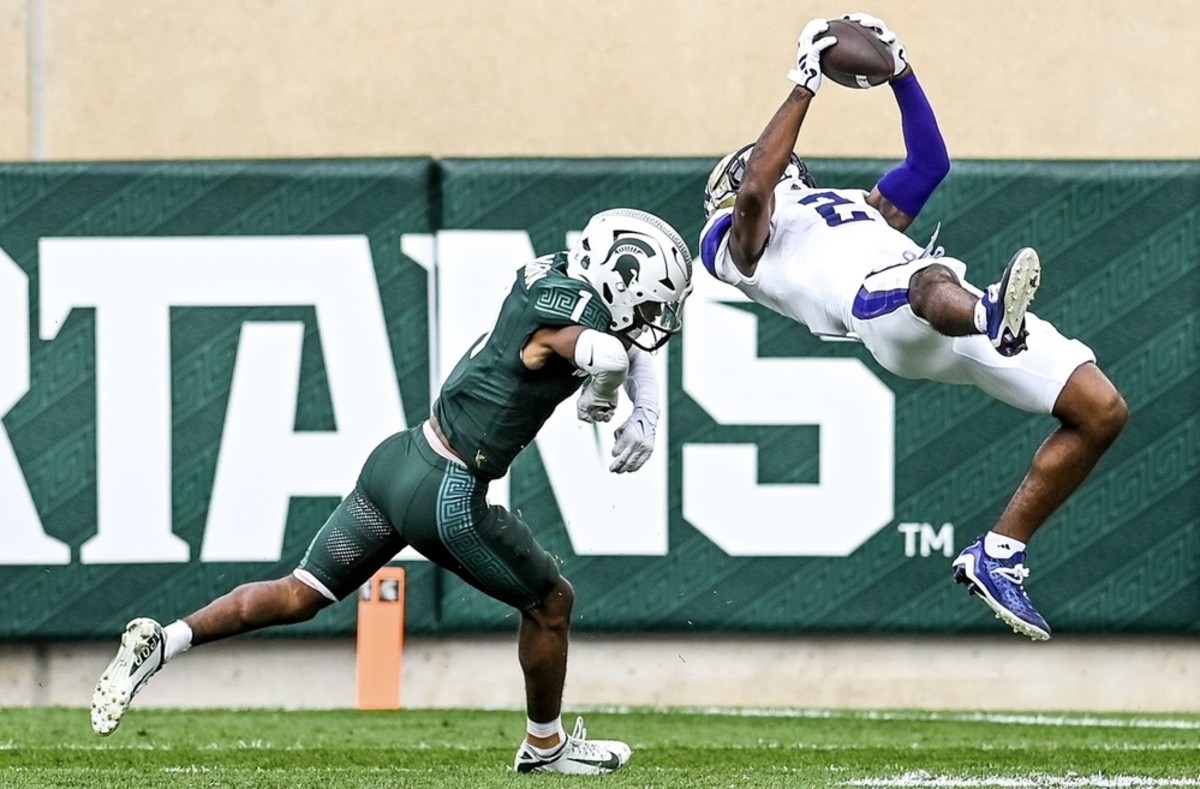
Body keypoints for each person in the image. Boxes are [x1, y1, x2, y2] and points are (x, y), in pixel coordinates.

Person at [90, 207, 694, 775]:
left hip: (402, 459)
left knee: (299, 593)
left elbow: (617, 341)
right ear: (620, 282)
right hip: (449, 492)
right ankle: (545, 745)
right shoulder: (571, 318)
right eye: (647, 307)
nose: (649, 324)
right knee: (550, 603)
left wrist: (644, 407)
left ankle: (165, 641)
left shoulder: (557, 274)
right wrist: (607, 393)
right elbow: (607, 349)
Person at [698, 13, 1127, 641]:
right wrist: (803, 83)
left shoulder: (851, 208)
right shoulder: (733, 241)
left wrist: (903, 75)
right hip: (887, 310)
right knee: (926, 279)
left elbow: (930, 163)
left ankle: (1000, 553)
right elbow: (758, 191)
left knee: (1101, 409)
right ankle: (990, 314)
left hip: (944, 304)